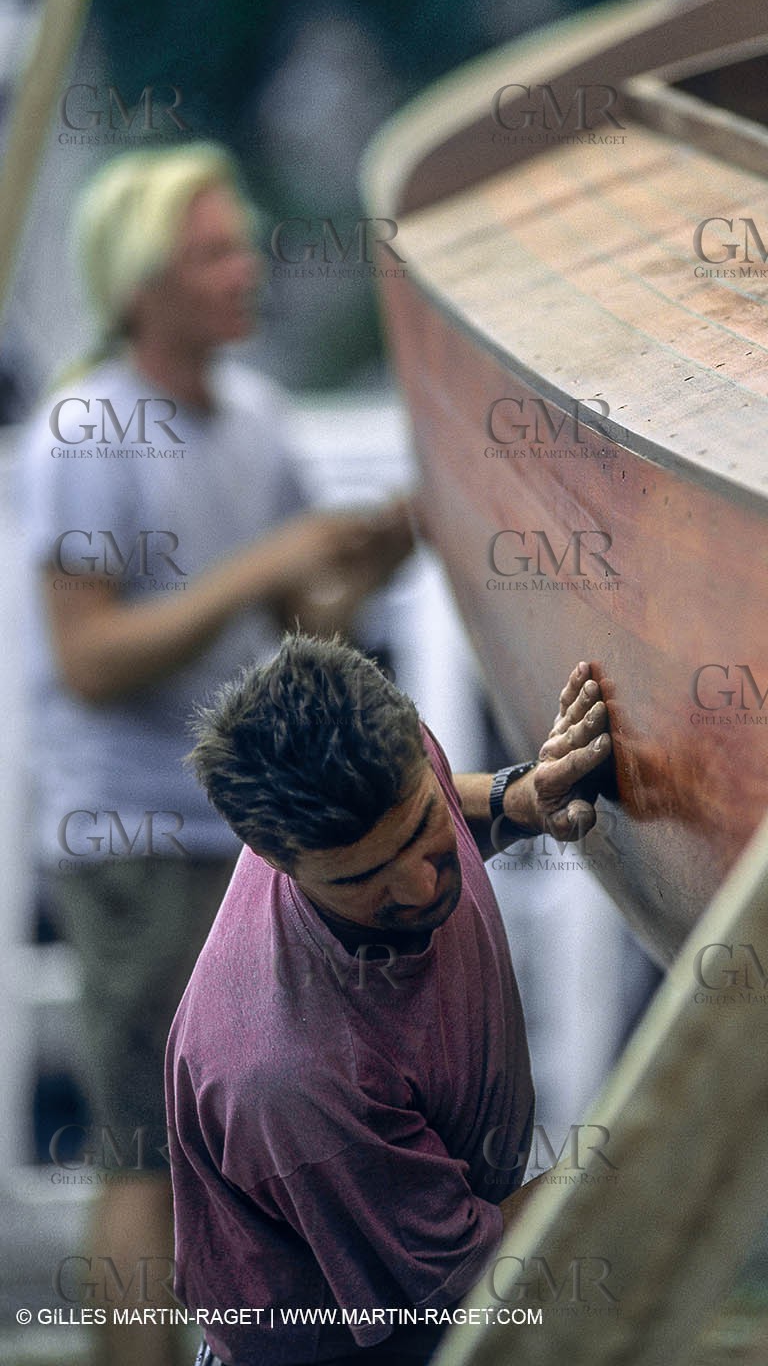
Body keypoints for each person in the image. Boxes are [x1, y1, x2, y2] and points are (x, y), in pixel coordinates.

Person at [18, 144, 413, 1366]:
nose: (248, 267)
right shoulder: (87, 426)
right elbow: (88, 656)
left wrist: (382, 555)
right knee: (148, 1145)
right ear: (142, 286)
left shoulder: (259, 415)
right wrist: (260, 563)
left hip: (253, 834)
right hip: (132, 838)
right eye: (213, 250)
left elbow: (308, 629)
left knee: (250, 1143)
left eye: (241, 242)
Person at [167, 635, 614, 1366]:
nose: (419, 887)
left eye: (420, 831)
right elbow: (479, 1278)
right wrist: (668, 1120)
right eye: (363, 878)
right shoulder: (291, 1078)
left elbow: (437, 795)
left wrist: (522, 797)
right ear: (275, 859)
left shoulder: (379, 761)